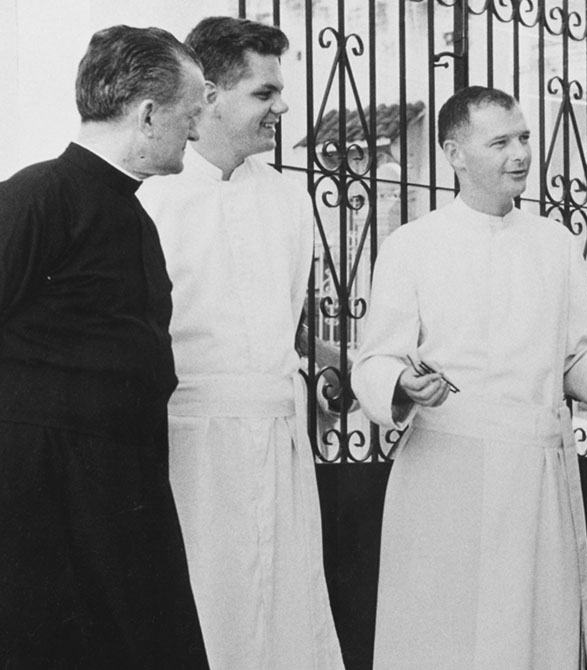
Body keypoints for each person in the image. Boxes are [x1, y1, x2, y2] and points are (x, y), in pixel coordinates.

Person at [352, 85, 587, 670]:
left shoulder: (555, 245)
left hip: (532, 473)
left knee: (526, 635)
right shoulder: (412, 246)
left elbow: (578, 358)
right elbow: (375, 359)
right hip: (442, 473)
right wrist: (402, 385)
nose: (521, 153)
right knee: (439, 632)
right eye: (500, 141)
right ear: (454, 153)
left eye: (524, 137)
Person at [138, 16, 345, 670]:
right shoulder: (151, 198)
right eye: (264, 93)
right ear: (208, 95)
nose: (282, 106)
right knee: (205, 612)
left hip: (280, 447)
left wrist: (340, 372)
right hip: (190, 452)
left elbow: (290, 329)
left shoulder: (290, 200)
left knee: (285, 620)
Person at [0, 25, 209, 668]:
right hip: (45, 497)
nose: (196, 132)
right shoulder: (37, 195)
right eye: (191, 114)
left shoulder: (135, 213)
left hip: (121, 485)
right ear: (147, 114)